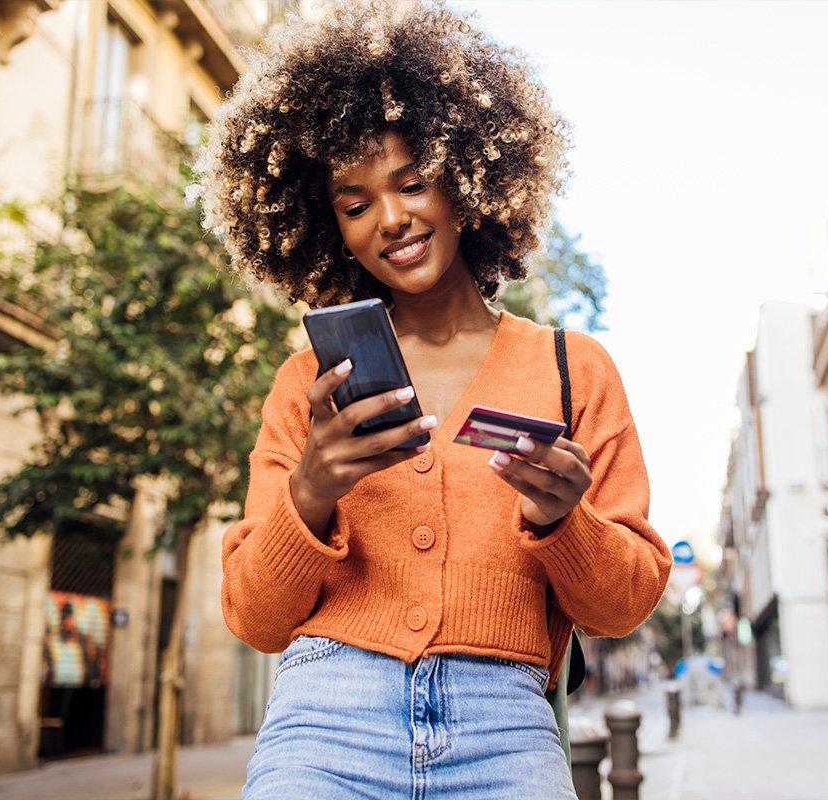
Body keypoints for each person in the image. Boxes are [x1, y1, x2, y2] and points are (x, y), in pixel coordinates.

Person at [199, 2, 671, 796]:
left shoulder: (572, 369)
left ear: (466, 180)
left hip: (504, 725)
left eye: (412, 183)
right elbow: (255, 618)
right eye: (354, 204)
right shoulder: (307, 383)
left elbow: (623, 603)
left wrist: (565, 520)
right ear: (328, 227)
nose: (391, 219)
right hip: (326, 720)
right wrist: (312, 490)